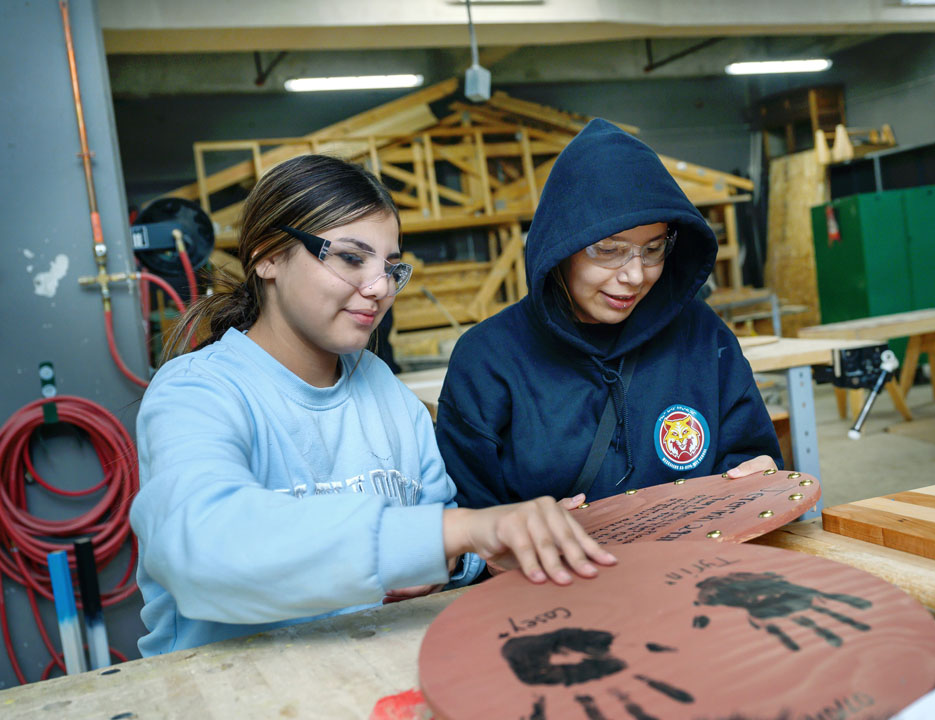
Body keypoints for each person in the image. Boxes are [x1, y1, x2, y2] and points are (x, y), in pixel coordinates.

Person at [130, 154, 615, 656]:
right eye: (350, 257)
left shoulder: (381, 386)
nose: (380, 287)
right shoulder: (197, 391)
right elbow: (204, 549)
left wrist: (482, 550)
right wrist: (460, 530)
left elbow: (435, 525)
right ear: (266, 256)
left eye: (390, 266)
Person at [436, 119, 783, 510]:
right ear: (562, 247)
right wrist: (513, 532)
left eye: (653, 250)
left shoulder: (702, 334)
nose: (635, 275)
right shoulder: (487, 359)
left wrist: (756, 479)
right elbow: (465, 525)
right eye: (608, 249)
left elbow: (750, 458)